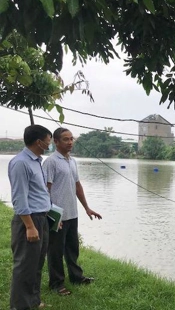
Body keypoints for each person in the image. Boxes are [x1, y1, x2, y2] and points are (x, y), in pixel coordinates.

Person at [43, 127, 102, 296]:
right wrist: (52, 216)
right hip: (56, 215)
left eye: (71, 139)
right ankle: (56, 283)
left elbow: (77, 185)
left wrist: (87, 208)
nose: (70, 142)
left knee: (72, 248)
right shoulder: (51, 162)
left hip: (72, 213)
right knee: (55, 251)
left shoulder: (72, 161)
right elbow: (45, 191)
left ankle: (77, 277)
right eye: (65, 139)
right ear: (56, 142)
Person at [8, 125, 53, 310]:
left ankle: (33, 301)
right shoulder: (21, 163)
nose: (50, 144)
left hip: (41, 219)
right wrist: (29, 226)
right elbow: (19, 198)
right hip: (29, 220)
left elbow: (39, 193)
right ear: (39, 142)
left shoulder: (36, 162)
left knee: (36, 264)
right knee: (24, 267)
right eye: (49, 141)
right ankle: (20, 306)